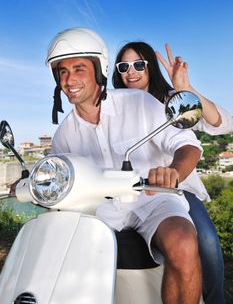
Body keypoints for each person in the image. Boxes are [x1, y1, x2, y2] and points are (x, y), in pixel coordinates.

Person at [46, 27, 205, 304]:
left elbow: (187, 144)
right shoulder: (64, 135)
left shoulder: (139, 102)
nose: (69, 79)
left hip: (153, 198)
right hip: (103, 211)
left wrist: (173, 172)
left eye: (79, 69)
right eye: (62, 72)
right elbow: (58, 178)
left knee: (183, 242)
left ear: (99, 71)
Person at [112, 41, 233, 304]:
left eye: (138, 64)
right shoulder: (113, 107)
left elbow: (224, 124)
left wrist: (185, 89)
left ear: (150, 68)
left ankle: (214, 300)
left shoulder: (171, 101)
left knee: (208, 243)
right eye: (124, 66)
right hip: (128, 192)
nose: (131, 71)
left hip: (174, 188)